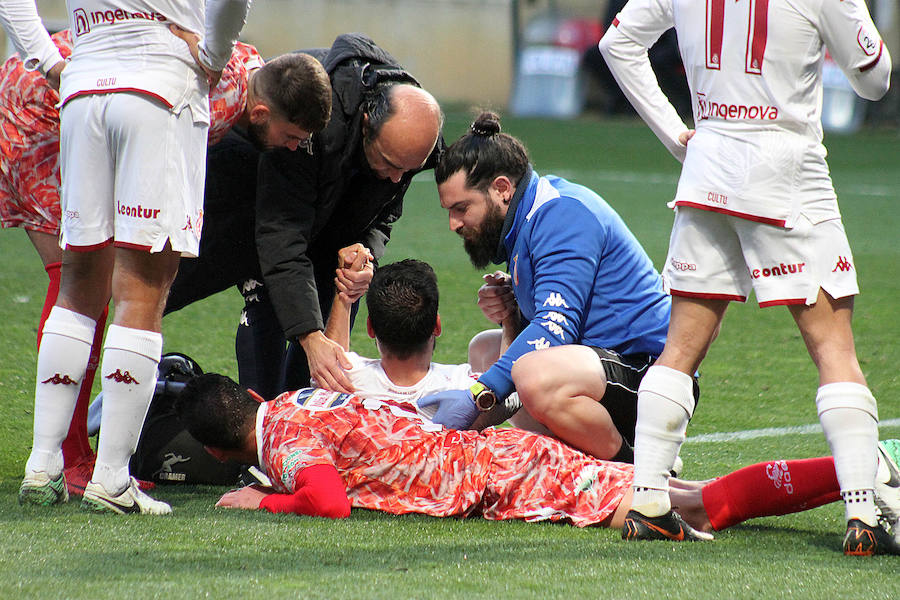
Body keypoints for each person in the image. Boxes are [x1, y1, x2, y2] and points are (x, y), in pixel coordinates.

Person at [598, 0, 894, 555]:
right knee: (835, 347)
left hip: (708, 161)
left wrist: (674, 134)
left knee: (680, 347)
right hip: (787, 167)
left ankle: (648, 503)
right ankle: (863, 515)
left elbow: (617, 43)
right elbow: (874, 81)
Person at [0, 25, 331, 497]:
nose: (294, 148)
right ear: (261, 113)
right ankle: (69, 459)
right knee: (80, 285)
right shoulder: (213, 102)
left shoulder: (250, 64)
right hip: (41, 110)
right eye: (292, 135)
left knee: (82, 284)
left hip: (61, 86)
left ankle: (63, 458)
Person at [172, 372, 900, 552]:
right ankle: (865, 473)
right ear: (255, 394)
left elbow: (327, 502)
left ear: (215, 449)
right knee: (691, 496)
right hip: (497, 456)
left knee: (691, 505)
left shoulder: (287, 443)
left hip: (498, 473)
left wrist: (262, 500)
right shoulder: (299, 401)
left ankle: (867, 472)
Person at [165, 33, 445, 402]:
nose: (397, 178)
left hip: (313, 212)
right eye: (390, 164)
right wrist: (310, 335)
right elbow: (280, 236)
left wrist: (365, 249)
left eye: (407, 171)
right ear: (365, 124)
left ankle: (293, 415)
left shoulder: (413, 138)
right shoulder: (307, 129)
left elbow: (385, 211)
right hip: (235, 195)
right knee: (155, 290)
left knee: (334, 289)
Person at [417, 111, 676, 464]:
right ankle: (552, 463)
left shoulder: (562, 214)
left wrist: (480, 392)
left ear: (502, 189)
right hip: (599, 370)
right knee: (486, 349)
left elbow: (556, 327)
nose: (453, 224)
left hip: (647, 375)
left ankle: (634, 471)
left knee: (530, 375)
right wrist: (511, 316)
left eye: (462, 208)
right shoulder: (528, 220)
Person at [322, 255, 520, 430]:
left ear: (370, 329)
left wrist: (345, 293)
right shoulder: (461, 388)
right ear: (437, 326)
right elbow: (514, 389)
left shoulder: (346, 379)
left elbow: (332, 358)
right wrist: (509, 315)